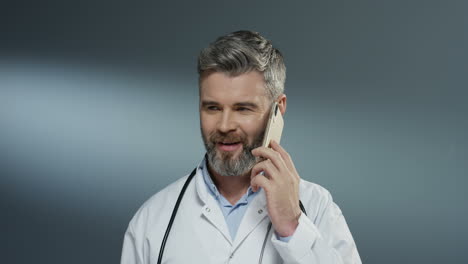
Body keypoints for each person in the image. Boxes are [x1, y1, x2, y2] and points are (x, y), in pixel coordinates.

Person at [120, 30, 362, 264]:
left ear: (278, 109)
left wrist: (293, 227)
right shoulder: (152, 221)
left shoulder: (316, 207)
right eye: (212, 107)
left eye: (243, 108)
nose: (225, 126)